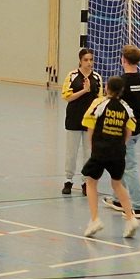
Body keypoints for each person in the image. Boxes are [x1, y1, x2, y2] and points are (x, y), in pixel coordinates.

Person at [81, 76, 139, 239]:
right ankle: (131, 218)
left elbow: (90, 125)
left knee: (91, 182)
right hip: (118, 152)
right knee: (117, 184)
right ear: (121, 91)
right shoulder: (126, 108)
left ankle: (94, 220)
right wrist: (120, 146)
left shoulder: (99, 103)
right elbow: (129, 131)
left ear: (107, 88)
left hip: (100, 150)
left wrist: (92, 147)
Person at [102, 45, 140, 218]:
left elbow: (111, 103)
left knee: (129, 166)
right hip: (138, 126)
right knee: (120, 161)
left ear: (123, 60)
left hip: (124, 130)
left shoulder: (120, 81)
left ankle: (139, 206)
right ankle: (118, 199)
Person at [61, 48, 102, 195]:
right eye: (86, 60)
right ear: (80, 60)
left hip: (90, 121)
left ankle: (86, 182)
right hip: (74, 118)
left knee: (89, 152)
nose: (89, 63)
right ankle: (68, 180)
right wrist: (84, 90)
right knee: (71, 152)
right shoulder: (72, 76)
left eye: (91, 59)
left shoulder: (97, 77)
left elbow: (99, 100)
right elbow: (67, 97)